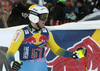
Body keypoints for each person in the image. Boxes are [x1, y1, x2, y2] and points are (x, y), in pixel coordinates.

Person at [6, 4, 87, 71]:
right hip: (26, 68)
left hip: (42, 68)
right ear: (34, 17)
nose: (45, 20)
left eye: (47, 16)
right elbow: (10, 52)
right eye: (43, 16)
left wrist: (73, 54)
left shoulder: (46, 32)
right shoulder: (22, 33)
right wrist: (12, 62)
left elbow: (57, 50)